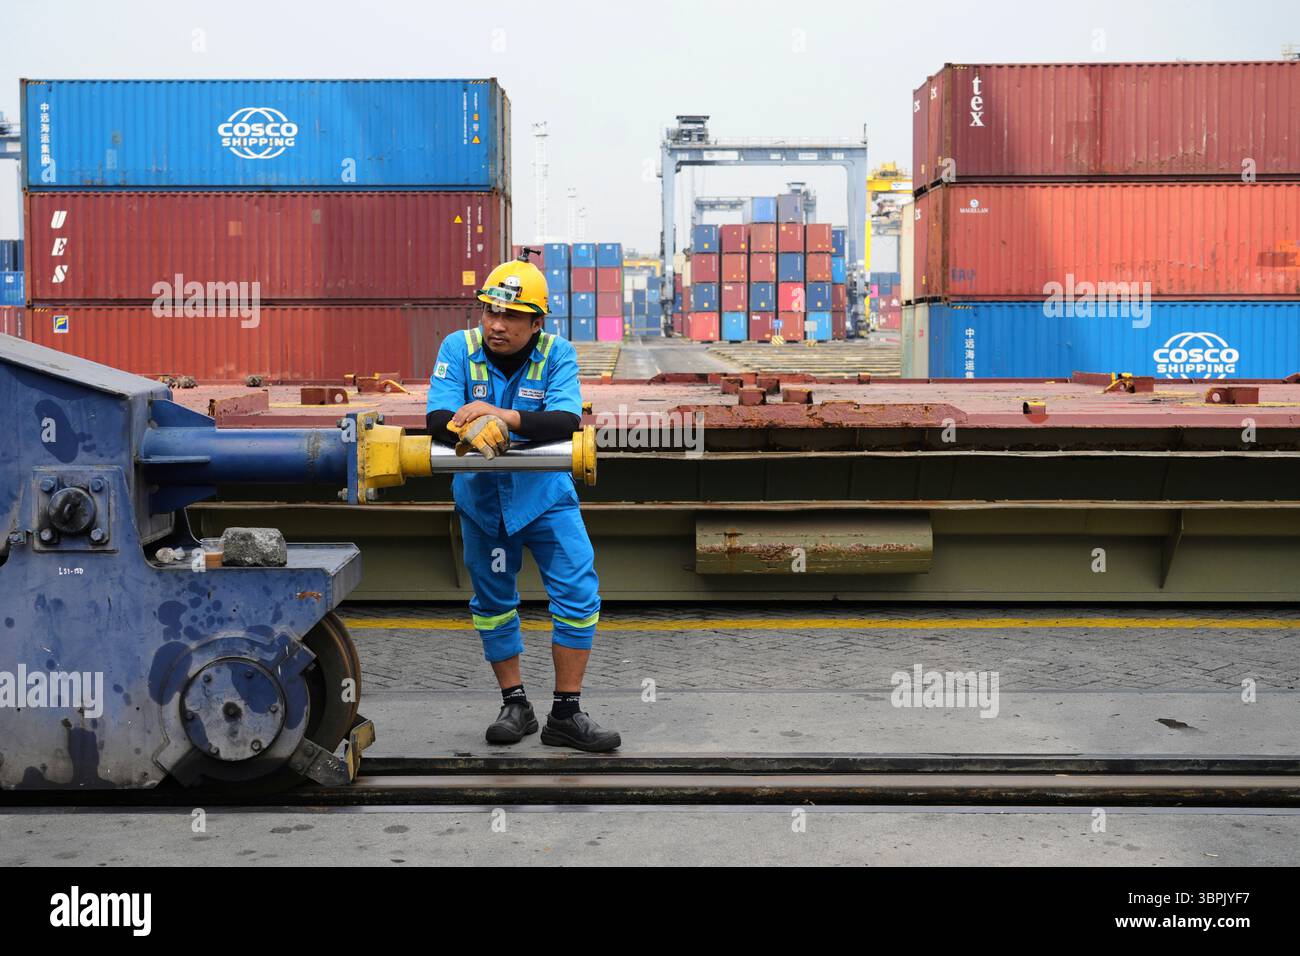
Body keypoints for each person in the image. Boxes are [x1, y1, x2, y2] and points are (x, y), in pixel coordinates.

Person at [425, 249, 620, 752]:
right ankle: (514, 704)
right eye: (491, 311)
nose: (497, 324)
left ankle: (566, 714)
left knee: (578, 597)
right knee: (493, 605)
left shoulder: (557, 354)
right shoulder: (456, 348)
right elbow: (436, 419)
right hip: (481, 504)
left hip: (546, 500)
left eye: (511, 315)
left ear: (535, 323)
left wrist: (499, 417)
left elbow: (564, 420)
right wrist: (471, 425)